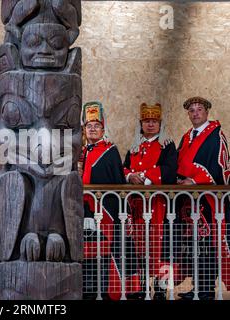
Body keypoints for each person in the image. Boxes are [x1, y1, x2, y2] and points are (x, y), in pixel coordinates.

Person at [79, 101, 140, 300]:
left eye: (97, 126)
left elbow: (117, 182)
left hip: (105, 213)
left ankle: (105, 293)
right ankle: (87, 291)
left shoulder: (110, 150)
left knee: (105, 253)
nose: (93, 129)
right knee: (86, 253)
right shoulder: (80, 153)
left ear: (103, 128)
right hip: (83, 211)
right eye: (89, 126)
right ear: (84, 129)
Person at [176, 97, 230, 300]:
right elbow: (180, 162)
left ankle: (206, 289)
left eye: (199, 109)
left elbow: (219, 167)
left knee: (209, 245)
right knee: (194, 245)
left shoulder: (217, 136)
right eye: (191, 110)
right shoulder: (187, 137)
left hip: (210, 201)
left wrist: (195, 180)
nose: (195, 113)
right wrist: (181, 180)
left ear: (206, 112)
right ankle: (197, 287)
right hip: (190, 203)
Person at [123, 103, 177, 300]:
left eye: (154, 121)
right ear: (141, 124)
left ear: (160, 123)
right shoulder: (134, 146)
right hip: (137, 206)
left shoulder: (167, 145)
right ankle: (142, 286)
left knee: (163, 247)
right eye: (147, 121)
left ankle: (162, 288)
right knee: (139, 246)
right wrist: (130, 177)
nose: (151, 125)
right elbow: (124, 167)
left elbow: (170, 169)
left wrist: (145, 177)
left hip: (159, 205)